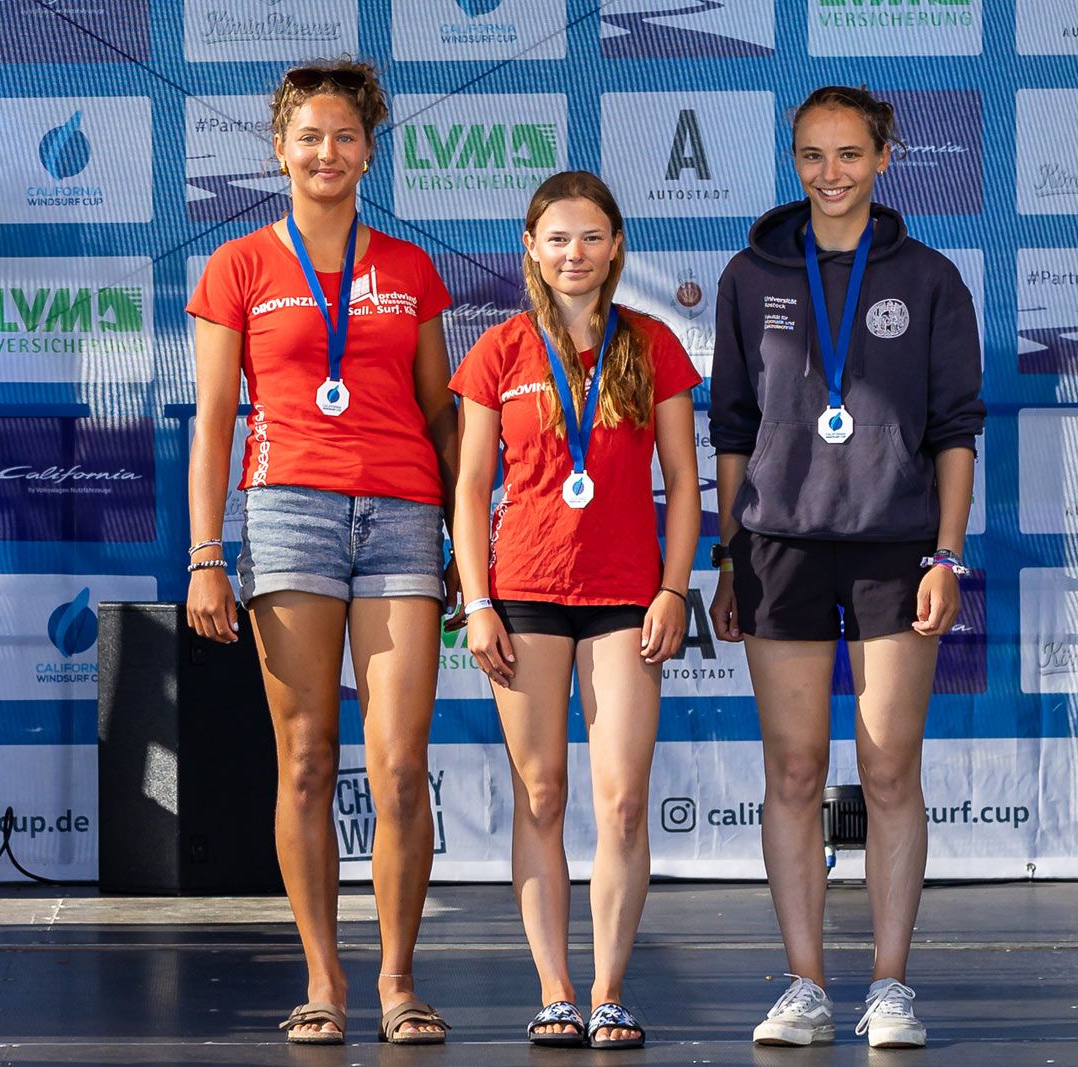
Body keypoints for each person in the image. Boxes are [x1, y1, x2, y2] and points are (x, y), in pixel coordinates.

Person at [185, 59, 456, 1046]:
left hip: (402, 512)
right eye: (309, 137)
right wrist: (205, 552)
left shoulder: (410, 270)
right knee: (305, 760)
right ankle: (323, 979)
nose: (326, 152)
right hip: (287, 511)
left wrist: (466, 539)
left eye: (344, 136)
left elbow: (440, 414)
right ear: (279, 150)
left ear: (369, 151)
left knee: (400, 767)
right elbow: (215, 420)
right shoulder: (238, 266)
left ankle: (397, 980)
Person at [708, 84, 984, 1050]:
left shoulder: (930, 277)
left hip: (892, 544)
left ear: (884, 158)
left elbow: (956, 432)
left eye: (850, 154)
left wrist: (946, 554)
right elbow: (732, 429)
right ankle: (805, 986)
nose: (832, 174)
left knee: (888, 768)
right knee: (793, 770)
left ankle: (891, 986)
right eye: (814, 156)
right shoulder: (750, 275)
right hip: (777, 546)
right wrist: (730, 556)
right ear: (795, 162)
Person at [449, 170, 701, 1050]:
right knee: (542, 793)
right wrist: (477, 600)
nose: (575, 253)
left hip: (626, 597)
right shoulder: (499, 349)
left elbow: (684, 485)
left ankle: (609, 990)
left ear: (616, 245)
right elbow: (470, 488)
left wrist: (674, 587)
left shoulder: (654, 344)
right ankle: (555, 987)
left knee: (623, 800)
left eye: (591, 236)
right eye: (557, 238)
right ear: (531, 247)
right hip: (523, 593)